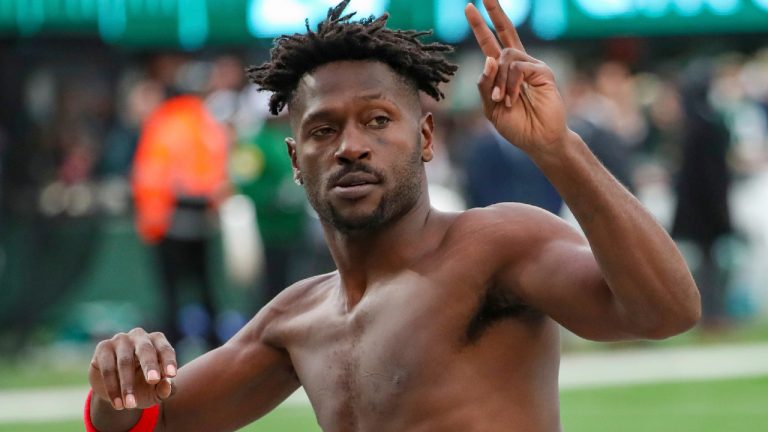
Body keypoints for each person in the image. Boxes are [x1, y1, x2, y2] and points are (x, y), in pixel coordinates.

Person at [85, 1, 700, 431]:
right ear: (296, 159)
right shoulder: (298, 318)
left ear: (426, 138)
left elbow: (666, 311)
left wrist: (558, 149)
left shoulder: (496, 246)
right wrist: (117, 383)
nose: (351, 146)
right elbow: (150, 422)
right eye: (323, 130)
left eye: (378, 121)